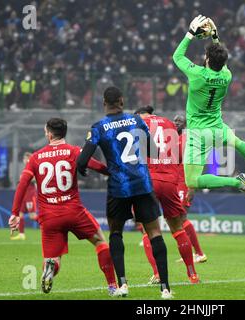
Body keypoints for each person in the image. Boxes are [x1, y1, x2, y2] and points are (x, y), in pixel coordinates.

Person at [77, 87, 173, 299]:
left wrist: (90, 169)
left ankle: (122, 285)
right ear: (121, 100)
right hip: (142, 184)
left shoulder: (99, 127)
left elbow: (82, 161)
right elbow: (153, 151)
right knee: (155, 233)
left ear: (104, 102)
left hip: (119, 187)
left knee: (116, 233)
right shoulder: (136, 121)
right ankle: (165, 288)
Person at [8, 118, 117, 295]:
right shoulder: (74, 151)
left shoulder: (35, 157)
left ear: (49, 134)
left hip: (49, 217)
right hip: (73, 211)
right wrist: (113, 172)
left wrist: (14, 213)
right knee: (100, 242)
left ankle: (50, 267)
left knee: (52, 257)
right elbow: (96, 166)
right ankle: (112, 286)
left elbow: (22, 184)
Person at [172, 15, 245, 198]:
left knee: (192, 181)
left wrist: (190, 33)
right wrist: (215, 35)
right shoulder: (226, 75)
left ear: (206, 60)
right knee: (237, 143)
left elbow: (177, 56)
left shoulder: (197, 75)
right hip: (218, 127)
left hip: (198, 133)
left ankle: (236, 182)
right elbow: (221, 59)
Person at [135, 106, 199, 285]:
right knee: (178, 228)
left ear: (140, 115)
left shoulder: (139, 124)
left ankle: (157, 274)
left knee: (149, 229)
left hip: (149, 181)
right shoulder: (169, 124)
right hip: (170, 181)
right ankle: (192, 274)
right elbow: (180, 156)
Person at [174, 114, 207, 264]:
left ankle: (199, 253)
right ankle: (189, 253)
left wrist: (192, 186)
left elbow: (197, 161)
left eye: (180, 121)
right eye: (175, 120)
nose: (176, 123)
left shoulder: (188, 140)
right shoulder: (174, 139)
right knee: (177, 220)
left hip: (184, 182)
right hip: (175, 183)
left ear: (185, 124)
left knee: (181, 218)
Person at [10, 152, 38, 240]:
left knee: (32, 216)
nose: (25, 160)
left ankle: (49, 226)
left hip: (30, 194)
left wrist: (26, 177)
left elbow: (36, 178)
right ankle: (21, 234)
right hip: (24, 195)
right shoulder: (25, 169)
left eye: (26, 158)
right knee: (20, 214)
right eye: (24, 158)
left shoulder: (33, 167)